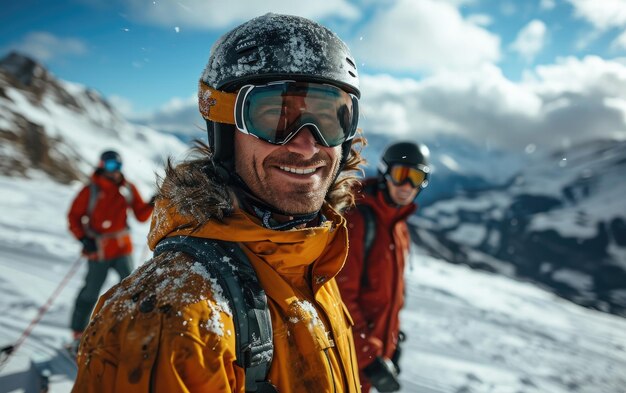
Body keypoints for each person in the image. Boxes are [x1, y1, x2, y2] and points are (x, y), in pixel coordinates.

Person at [72, 13, 364, 393]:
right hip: (104, 248)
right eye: (276, 115)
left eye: (328, 120)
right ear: (225, 126)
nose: (306, 143)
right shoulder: (170, 318)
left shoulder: (312, 262)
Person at [337, 141, 430, 393]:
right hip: (347, 359)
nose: (407, 186)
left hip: (372, 356)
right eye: (401, 175)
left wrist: (392, 342)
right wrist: (368, 357)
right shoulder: (358, 220)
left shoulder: (399, 227)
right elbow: (341, 299)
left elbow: (391, 296)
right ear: (385, 172)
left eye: (416, 177)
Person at [67, 150, 154, 343]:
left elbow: (140, 216)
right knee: (91, 291)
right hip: (99, 249)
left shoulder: (127, 188)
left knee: (133, 288)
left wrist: (151, 203)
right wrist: (83, 238)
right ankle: (78, 332)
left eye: (118, 166)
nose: (115, 171)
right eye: (111, 166)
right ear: (101, 165)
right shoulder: (91, 190)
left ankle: (133, 327)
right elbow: (73, 216)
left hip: (123, 249)